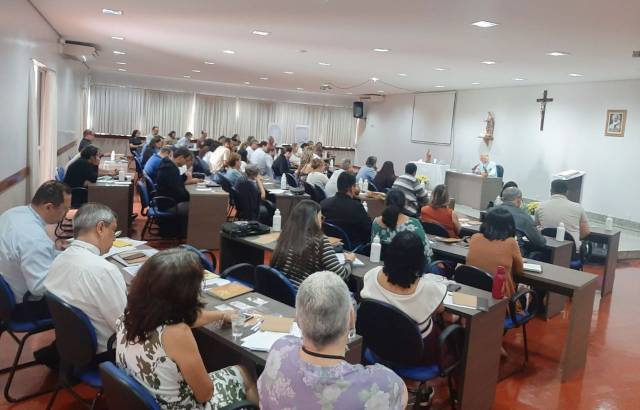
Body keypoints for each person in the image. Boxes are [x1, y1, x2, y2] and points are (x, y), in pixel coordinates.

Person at [116, 249, 258, 408]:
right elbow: (205, 394)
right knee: (244, 371)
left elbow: (189, 319)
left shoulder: (132, 313)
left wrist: (221, 314)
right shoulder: (177, 333)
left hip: (145, 398)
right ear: (184, 294)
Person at [258, 271, 407, 409]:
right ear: (351, 318)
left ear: (298, 318)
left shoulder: (280, 349)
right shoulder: (383, 383)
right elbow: (402, 396)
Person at [44, 203, 126, 358]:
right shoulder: (104, 271)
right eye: (113, 231)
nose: (114, 238)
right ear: (100, 228)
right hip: (106, 351)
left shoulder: (59, 258)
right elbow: (123, 326)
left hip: (72, 345)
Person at [361, 231, 446, 369]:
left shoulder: (371, 275)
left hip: (378, 343)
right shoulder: (428, 288)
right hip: (416, 354)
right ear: (420, 259)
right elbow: (440, 309)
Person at [0, 181, 71, 318]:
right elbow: (39, 288)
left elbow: (39, 252)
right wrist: (70, 273)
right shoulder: (34, 239)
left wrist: (62, 255)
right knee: (83, 298)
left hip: (6, 290)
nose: (67, 214)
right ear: (49, 207)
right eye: (65, 209)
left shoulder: (14, 213)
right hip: (23, 306)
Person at [271, 200, 354, 288]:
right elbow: (340, 275)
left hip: (282, 290)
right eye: (321, 218)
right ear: (314, 219)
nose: (322, 221)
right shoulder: (321, 241)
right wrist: (349, 261)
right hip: (306, 295)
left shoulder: (287, 235)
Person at [466, 207, 523, 298]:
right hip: (498, 298)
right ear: (510, 226)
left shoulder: (475, 237)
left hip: (470, 294)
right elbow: (519, 271)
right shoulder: (511, 242)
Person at [372, 189, 432, 261]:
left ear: (385, 203)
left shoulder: (376, 223)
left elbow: (373, 249)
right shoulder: (414, 224)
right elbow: (427, 253)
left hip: (382, 267)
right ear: (404, 204)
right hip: (408, 270)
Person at [535, 179, 591, 247]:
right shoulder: (578, 208)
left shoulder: (541, 206)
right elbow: (586, 232)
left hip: (546, 249)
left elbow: (536, 227)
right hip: (571, 251)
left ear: (551, 191)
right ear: (567, 192)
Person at [320, 172, 372, 246]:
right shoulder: (357, 207)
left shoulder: (324, 203)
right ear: (351, 188)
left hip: (330, 244)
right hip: (352, 247)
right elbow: (368, 229)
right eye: (355, 186)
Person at [156, 148, 198, 236]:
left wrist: (185, 177)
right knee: (197, 205)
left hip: (165, 201)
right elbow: (179, 194)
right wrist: (194, 196)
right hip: (168, 204)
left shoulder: (168, 165)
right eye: (186, 161)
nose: (186, 164)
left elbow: (177, 182)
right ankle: (192, 234)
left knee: (195, 201)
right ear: (180, 158)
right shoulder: (170, 169)